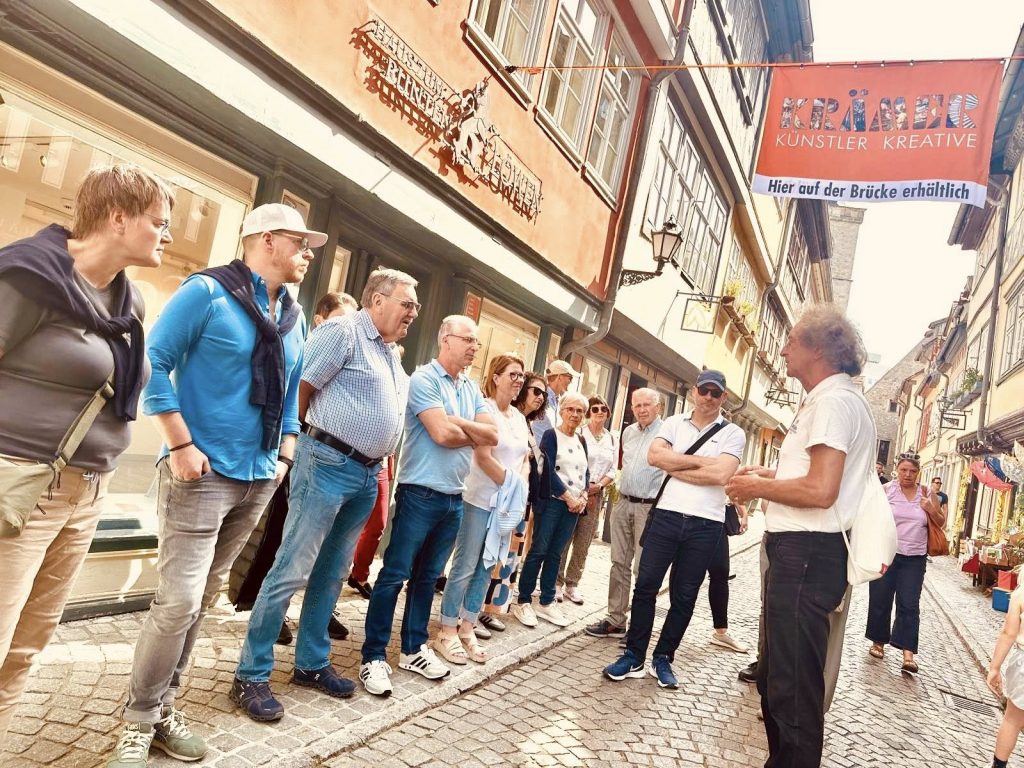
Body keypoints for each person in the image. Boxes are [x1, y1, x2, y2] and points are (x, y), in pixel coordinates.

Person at [106, 202, 318, 767]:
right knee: (178, 601)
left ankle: (164, 709)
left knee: (201, 600)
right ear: (266, 240)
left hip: (257, 477)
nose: (307, 253)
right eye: (299, 242)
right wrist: (180, 445)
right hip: (199, 474)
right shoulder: (207, 292)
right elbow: (149, 363)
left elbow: (292, 392)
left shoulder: (293, 316)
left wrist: (284, 457)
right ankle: (139, 719)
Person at [0, 164, 173, 750]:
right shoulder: (30, 276)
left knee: (25, 647)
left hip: (87, 495)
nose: (167, 234)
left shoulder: (128, 301)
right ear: (118, 218)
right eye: (158, 222)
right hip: (21, 489)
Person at [233, 268, 417, 720]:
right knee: (291, 567)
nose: (414, 312)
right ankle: (250, 674)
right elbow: (298, 389)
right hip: (326, 461)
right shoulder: (343, 332)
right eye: (407, 303)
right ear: (377, 300)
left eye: (416, 306)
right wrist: (293, 449)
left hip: (366, 473)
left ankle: (311, 663)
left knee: (332, 573)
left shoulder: (388, 350)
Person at [725, 305, 873, 768]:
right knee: (780, 679)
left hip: (807, 554)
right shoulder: (832, 399)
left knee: (792, 688)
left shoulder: (832, 402)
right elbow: (820, 479)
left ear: (818, 349)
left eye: (791, 340)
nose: (783, 348)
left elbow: (822, 491)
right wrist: (770, 475)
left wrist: (757, 488)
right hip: (806, 552)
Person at [359, 316, 496, 697]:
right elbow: (440, 433)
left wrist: (458, 423)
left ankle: (413, 648)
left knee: (427, 578)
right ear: (445, 339)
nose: (474, 347)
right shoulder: (424, 379)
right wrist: (466, 430)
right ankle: (373, 656)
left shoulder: (470, 386)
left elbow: (492, 435)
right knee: (394, 575)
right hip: (419, 493)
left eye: (477, 342)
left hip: (455, 497)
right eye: (468, 339)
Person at [227, 291, 359, 644]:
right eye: (340, 319)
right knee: (278, 533)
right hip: (295, 447)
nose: (346, 329)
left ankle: (316, 610)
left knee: (319, 540)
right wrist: (294, 442)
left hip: (324, 457)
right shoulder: (309, 345)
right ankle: (266, 608)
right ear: (320, 319)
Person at [603, 371, 745, 690]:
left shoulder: (734, 433)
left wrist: (676, 464)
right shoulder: (673, 423)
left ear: (723, 397)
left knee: (684, 595)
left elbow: (722, 475)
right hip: (666, 516)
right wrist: (702, 464)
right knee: (645, 587)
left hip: (706, 523)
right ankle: (634, 656)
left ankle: (663, 657)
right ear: (694, 391)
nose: (708, 397)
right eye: (704, 390)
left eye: (716, 393)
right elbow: (655, 457)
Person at [432, 354, 530, 664]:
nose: (519, 380)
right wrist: (512, 487)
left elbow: (524, 459)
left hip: (505, 505)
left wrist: (517, 492)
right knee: (465, 565)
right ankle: (447, 630)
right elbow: (483, 457)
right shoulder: (484, 410)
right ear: (496, 377)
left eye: (522, 375)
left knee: (487, 567)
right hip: (479, 498)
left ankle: (467, 627)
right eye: (513, 374)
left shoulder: (519, 417)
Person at [585, 388, 665, 639]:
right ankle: (616, 620)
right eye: (637, 405)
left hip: (649, 508)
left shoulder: (668, 433)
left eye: (647, 404)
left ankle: (638, 629)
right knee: (618, 563)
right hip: (623, 502)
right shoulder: (628, 433)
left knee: (644, 569)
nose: (641, 409)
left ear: (658, 407)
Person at [512, 392, 590, 629]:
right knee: (539, 550)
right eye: (570, 409)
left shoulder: (582, 439)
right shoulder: (551, 435)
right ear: (562, 410)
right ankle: (523, 600)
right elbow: (546, 470)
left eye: (579, 411)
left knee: (556, 553)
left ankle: (546, 601)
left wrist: (584, 495)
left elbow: (585, 471)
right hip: (553, 502)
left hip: (574, 506)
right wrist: (568, 497)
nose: (574, 414)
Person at [478, 372, 548, 634]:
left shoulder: (525, 423)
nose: (540, 397)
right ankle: (477, 610)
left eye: (544, 394)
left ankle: (490, 609)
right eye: (535, 391)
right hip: (501, 496)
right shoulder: (503, 416)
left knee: (508, 559)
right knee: (490, 557)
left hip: (521, 499)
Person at [866, 453, 942, 674]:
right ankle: (878, 642)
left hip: (915, 558)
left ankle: (908, 653)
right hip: (887, 554)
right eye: (904, 470)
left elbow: (940, 522)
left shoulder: (927, 493)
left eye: (913, 471)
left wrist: (931, 509)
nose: (908, 475)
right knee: (881, 598)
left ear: (918, 472)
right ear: (896, 470)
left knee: (909, 603)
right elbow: (871, 517)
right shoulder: (886, 491)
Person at [557, 395, 616, 605]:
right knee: (565, 538)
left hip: (596, 495)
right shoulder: (579, 433)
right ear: (589, 413)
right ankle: (556, 582)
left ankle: (572, 584)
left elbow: (613, 469)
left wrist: (599, 486)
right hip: (575, 492)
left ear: (608, 413)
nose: (599, 412)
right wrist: (584, 489)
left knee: (584, 541)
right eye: (595, 409)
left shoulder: (611, 439)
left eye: (603, 409)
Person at [986, 575, 1024, 768]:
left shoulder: (1020, 594)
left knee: (1012, 720)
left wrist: (995, 667)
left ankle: (998, 765)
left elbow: (1008, 633)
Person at [707, 501, 749, 653]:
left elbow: (730, 490)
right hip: (690, 519)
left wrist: (743, 513)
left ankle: (721, 632)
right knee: (686, 577)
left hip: (717, 522)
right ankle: (674, 627)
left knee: (720, 573)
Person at [531, 359, 578, 444]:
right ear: (559, 377)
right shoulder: (539, 397)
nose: (571, 382)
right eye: (570, 377)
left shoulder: (561, 402)